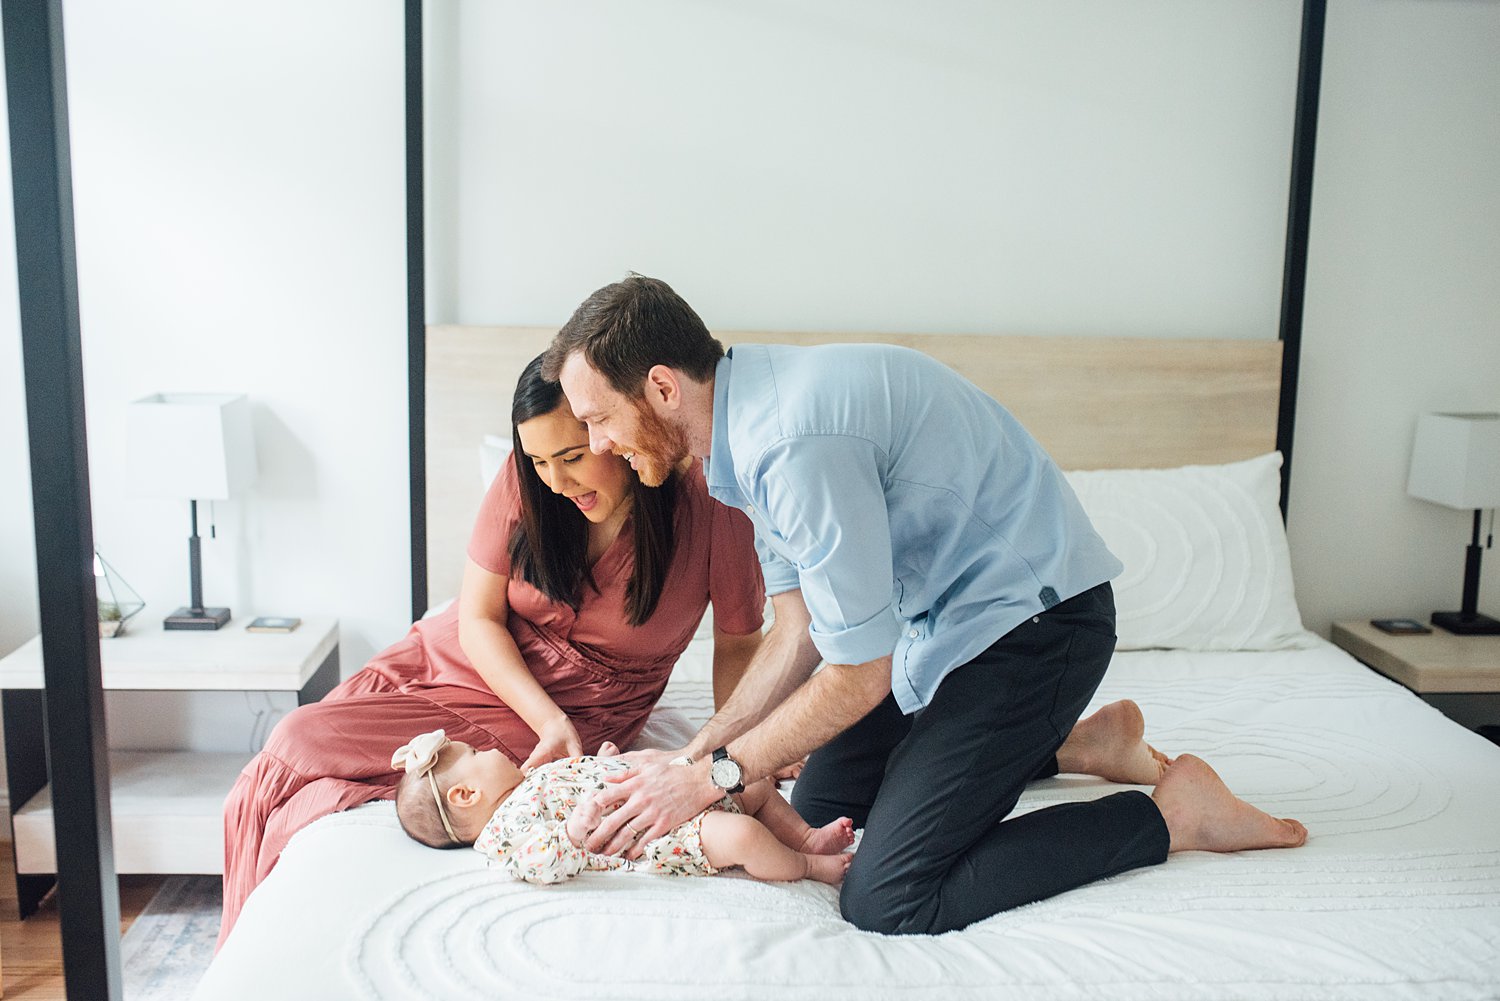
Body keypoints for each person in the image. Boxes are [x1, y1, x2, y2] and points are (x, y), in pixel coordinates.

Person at [543, 274, 1309, 937]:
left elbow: (861, 671)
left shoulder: (792, 442)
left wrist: (714, 775)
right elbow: (799, 630)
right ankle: (1075, 746)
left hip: (1040, 629)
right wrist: (691, 758)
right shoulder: (739, 444)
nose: (599, 444)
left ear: (664, 387)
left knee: (888, 894)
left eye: (599, 418)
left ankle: (1175, 815)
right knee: (823, 796)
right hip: (953, 635)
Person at [217, 355, 768, 946]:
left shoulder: (712, 505)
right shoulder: (526, 480)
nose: (556, 482)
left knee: (311, 754)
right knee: (294, 741)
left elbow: (737, 646)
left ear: (612, 427)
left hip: (590, 704)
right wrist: (546, 717)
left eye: (573, 457)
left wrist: (740, 743)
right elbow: (479, 617)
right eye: (538, 462)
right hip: (472, 661)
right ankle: (253, 931)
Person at [390, 729, 854, 885]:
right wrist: (573, 832)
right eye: (475, 756)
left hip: (672, 791)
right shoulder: (504, 834)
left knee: (750, 785)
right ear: (465, 795)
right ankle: (807, 865)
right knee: (742, 836)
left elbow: (580, 777)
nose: (489, 751)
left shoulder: (531, 779)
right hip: (656, 838)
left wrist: (602, 763)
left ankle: (805, 834)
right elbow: (537, 864)